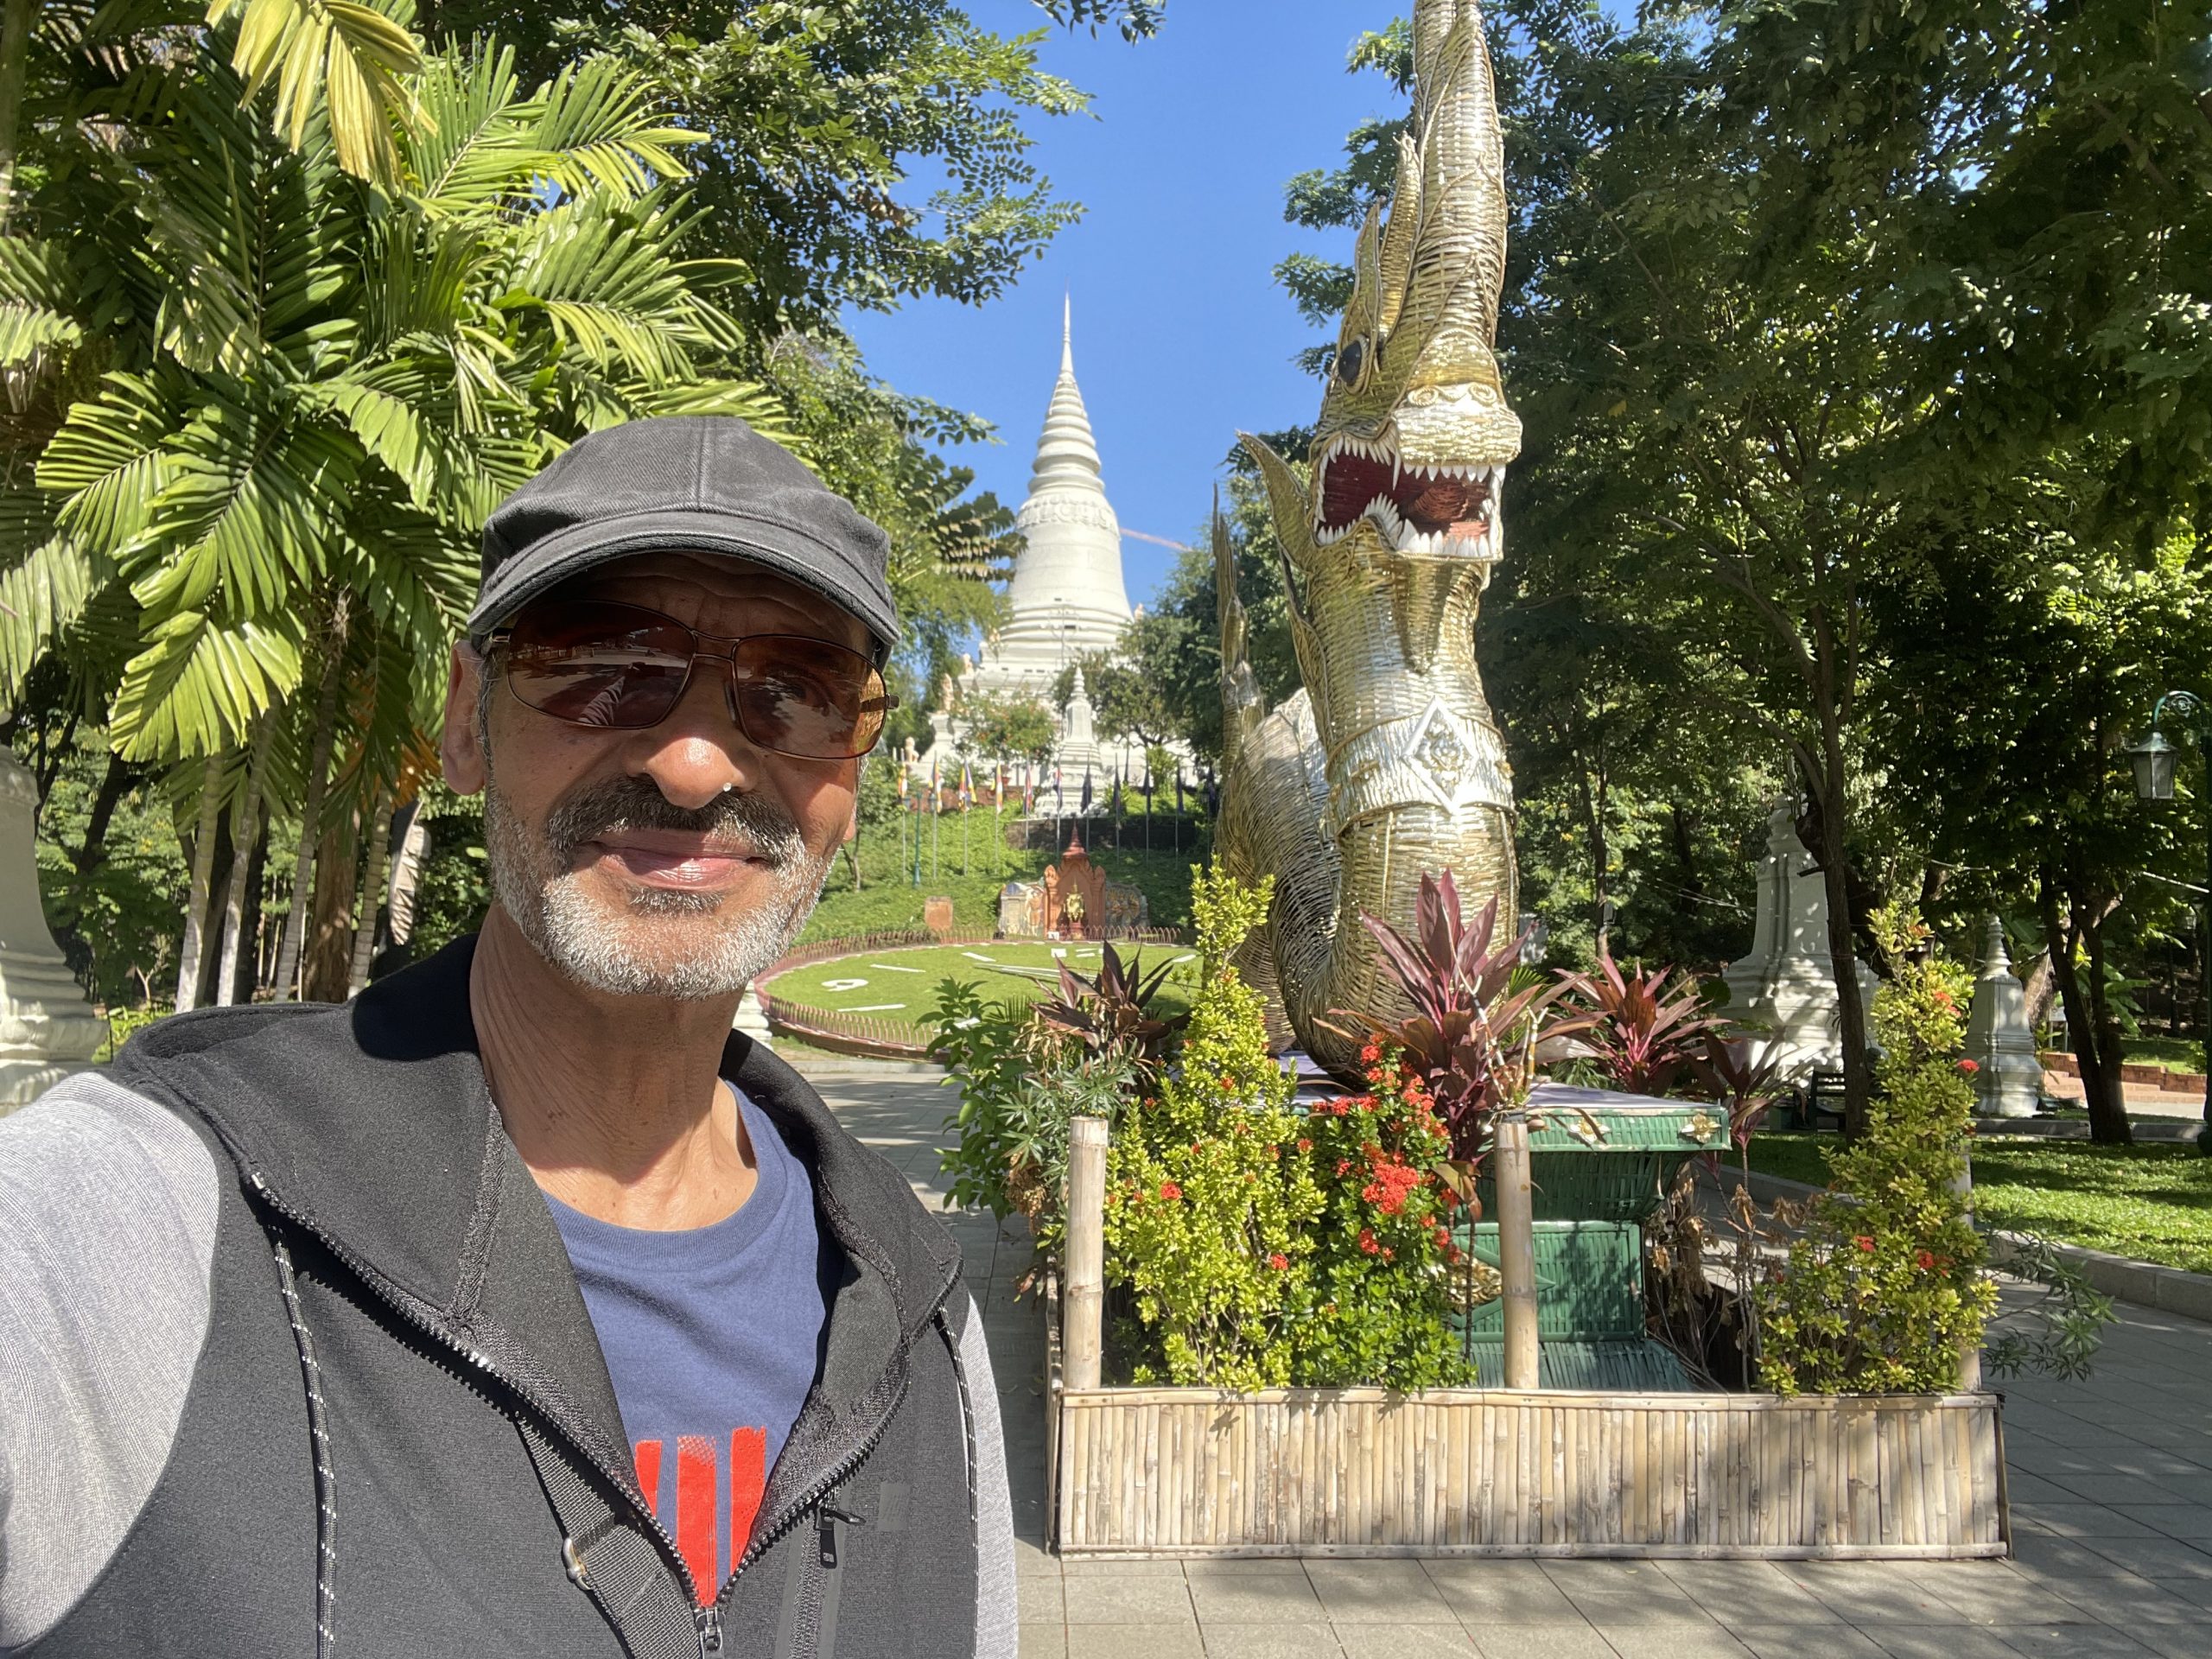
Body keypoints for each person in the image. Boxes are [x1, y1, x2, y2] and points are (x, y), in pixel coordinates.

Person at [0, 417, 1016, 1658]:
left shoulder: (915, 1319)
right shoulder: (149, 1226)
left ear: (852, 776)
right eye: (605, 662)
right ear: (467, 721)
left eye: (794, 689)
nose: (696, 764)